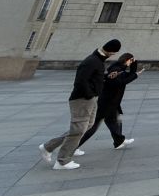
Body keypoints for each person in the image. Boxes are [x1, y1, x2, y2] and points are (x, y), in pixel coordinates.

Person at [40, 39, 122, 170]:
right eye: (113, 52)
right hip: (82, 99)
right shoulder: (92, 61)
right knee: (78, 129)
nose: (113, 55)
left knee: (84, 127)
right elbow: (80, 80)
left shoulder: (97, 60)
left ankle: (48, 146)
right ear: (110, 50)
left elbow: (93, 78)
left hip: (91, 99)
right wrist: (89, 94)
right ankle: (62, 161)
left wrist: (106, 77)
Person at [78, 52, 143, 149]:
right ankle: (74, 147)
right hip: (106, 103)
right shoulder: (116, 69)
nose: (131, 62)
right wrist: (135, 75)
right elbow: (120, 83)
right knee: (93, 127)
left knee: (116, 121)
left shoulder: (120, 68)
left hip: (112, 103)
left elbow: (130, 74)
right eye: (131, 60)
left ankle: (118, 142)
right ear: (126, 60)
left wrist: (134, 64)